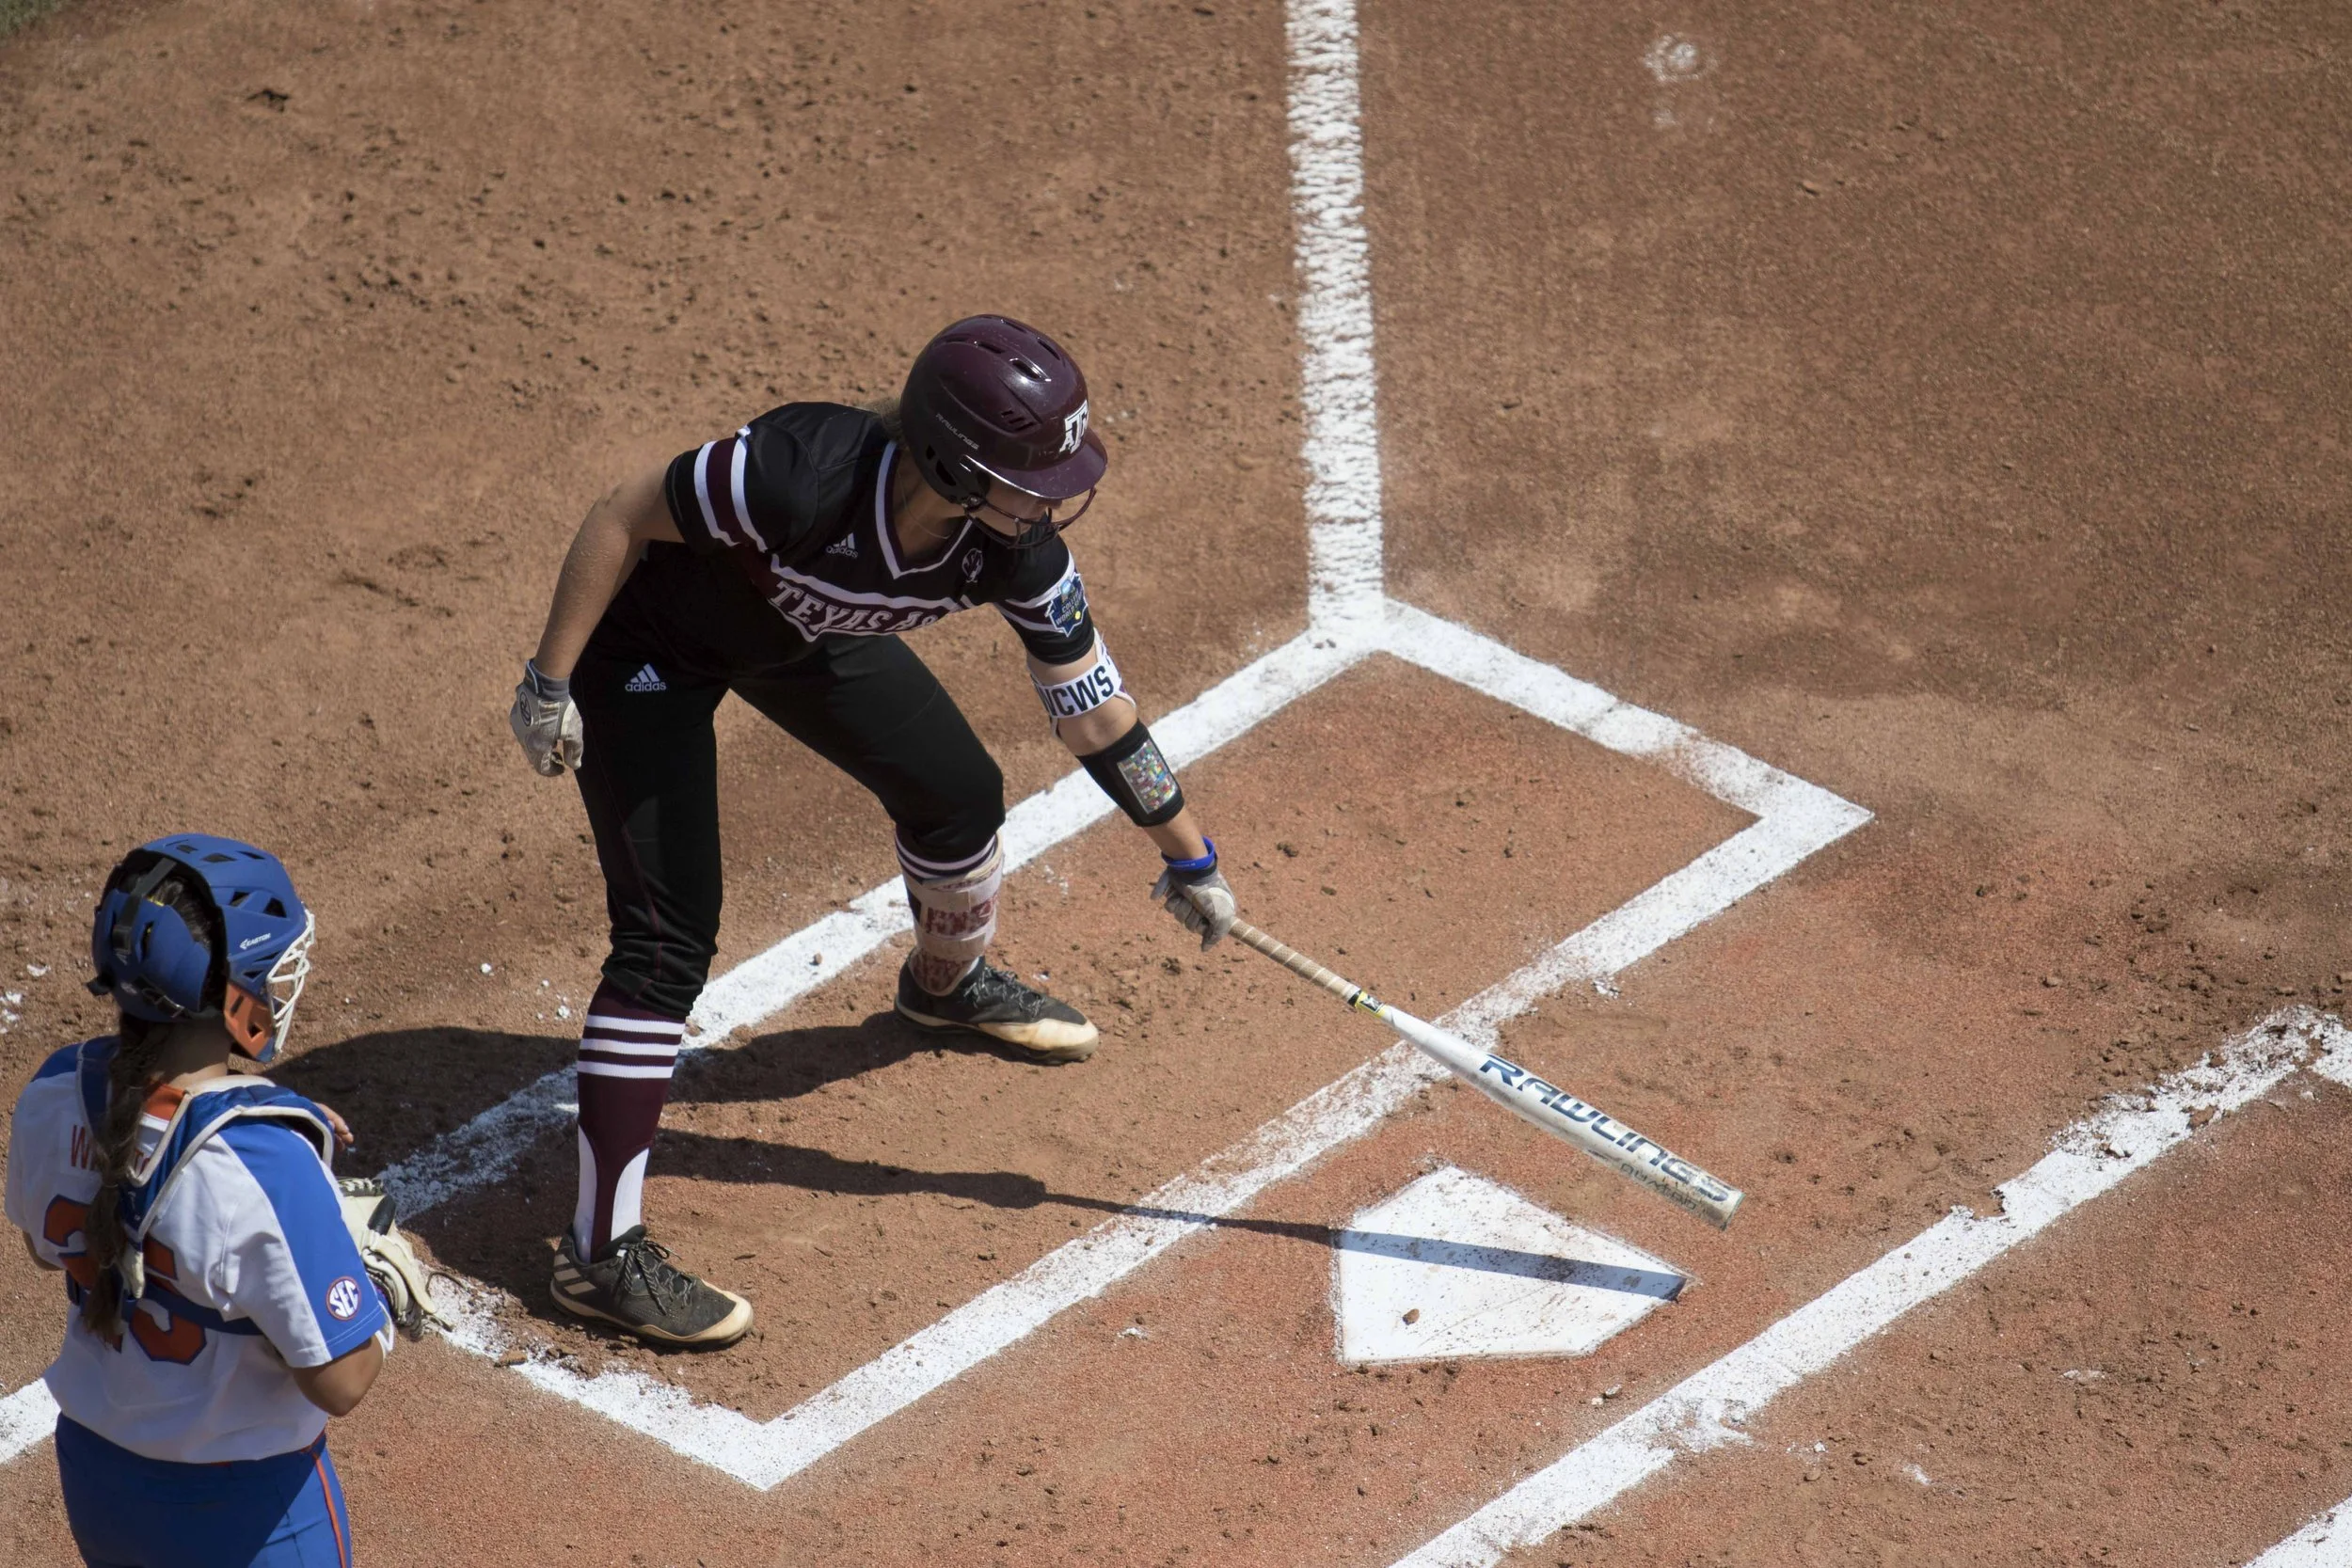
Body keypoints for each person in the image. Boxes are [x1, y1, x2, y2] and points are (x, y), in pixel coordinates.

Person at [507, 314, 1242, 1349]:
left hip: (803, 636)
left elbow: (1096, 710)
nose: (1051, 496)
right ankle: (597, 1257)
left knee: (957, 792)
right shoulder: (797, 475)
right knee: (667, 942)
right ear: (950, 461)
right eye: (1031, 473)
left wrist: (1190, 852)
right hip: (652, 650)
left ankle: (944, 987)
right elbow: (624, 511)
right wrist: (548, 681)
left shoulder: (1014, 549)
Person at [5, 836, 388, 1568]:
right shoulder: (268, 1164)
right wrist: (375, 1284)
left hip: (99, 1486)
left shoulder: (53, 1092)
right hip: (248, 1519)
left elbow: (44, 1241)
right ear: (234, 991)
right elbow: (341, 1379)